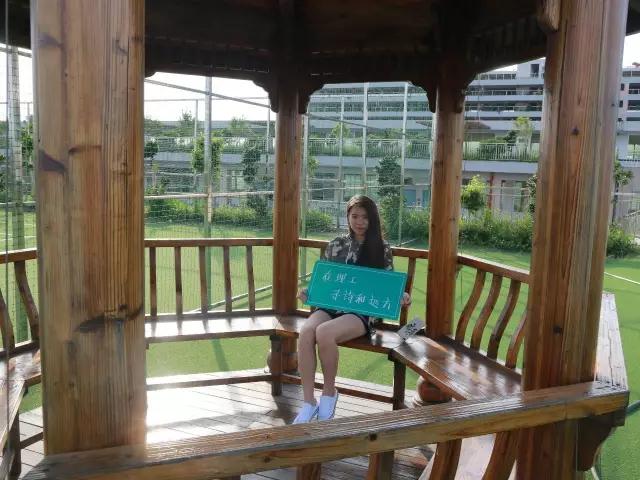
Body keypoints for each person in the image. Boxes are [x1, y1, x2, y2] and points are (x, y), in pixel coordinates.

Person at [293, 195, 411, 423]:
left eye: (365, 217)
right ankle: (308, 402)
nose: (360, 222)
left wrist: (401, 296)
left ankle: (329, 393)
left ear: (372, 219)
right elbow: (325, 281)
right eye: (355, 216)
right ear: (347, 217)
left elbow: (387, 284)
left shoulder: (382, 248)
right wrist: (309, 292)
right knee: (307, 331)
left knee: (324, 332)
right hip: (331, 304)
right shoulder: (336, 244)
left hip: (361, 311)